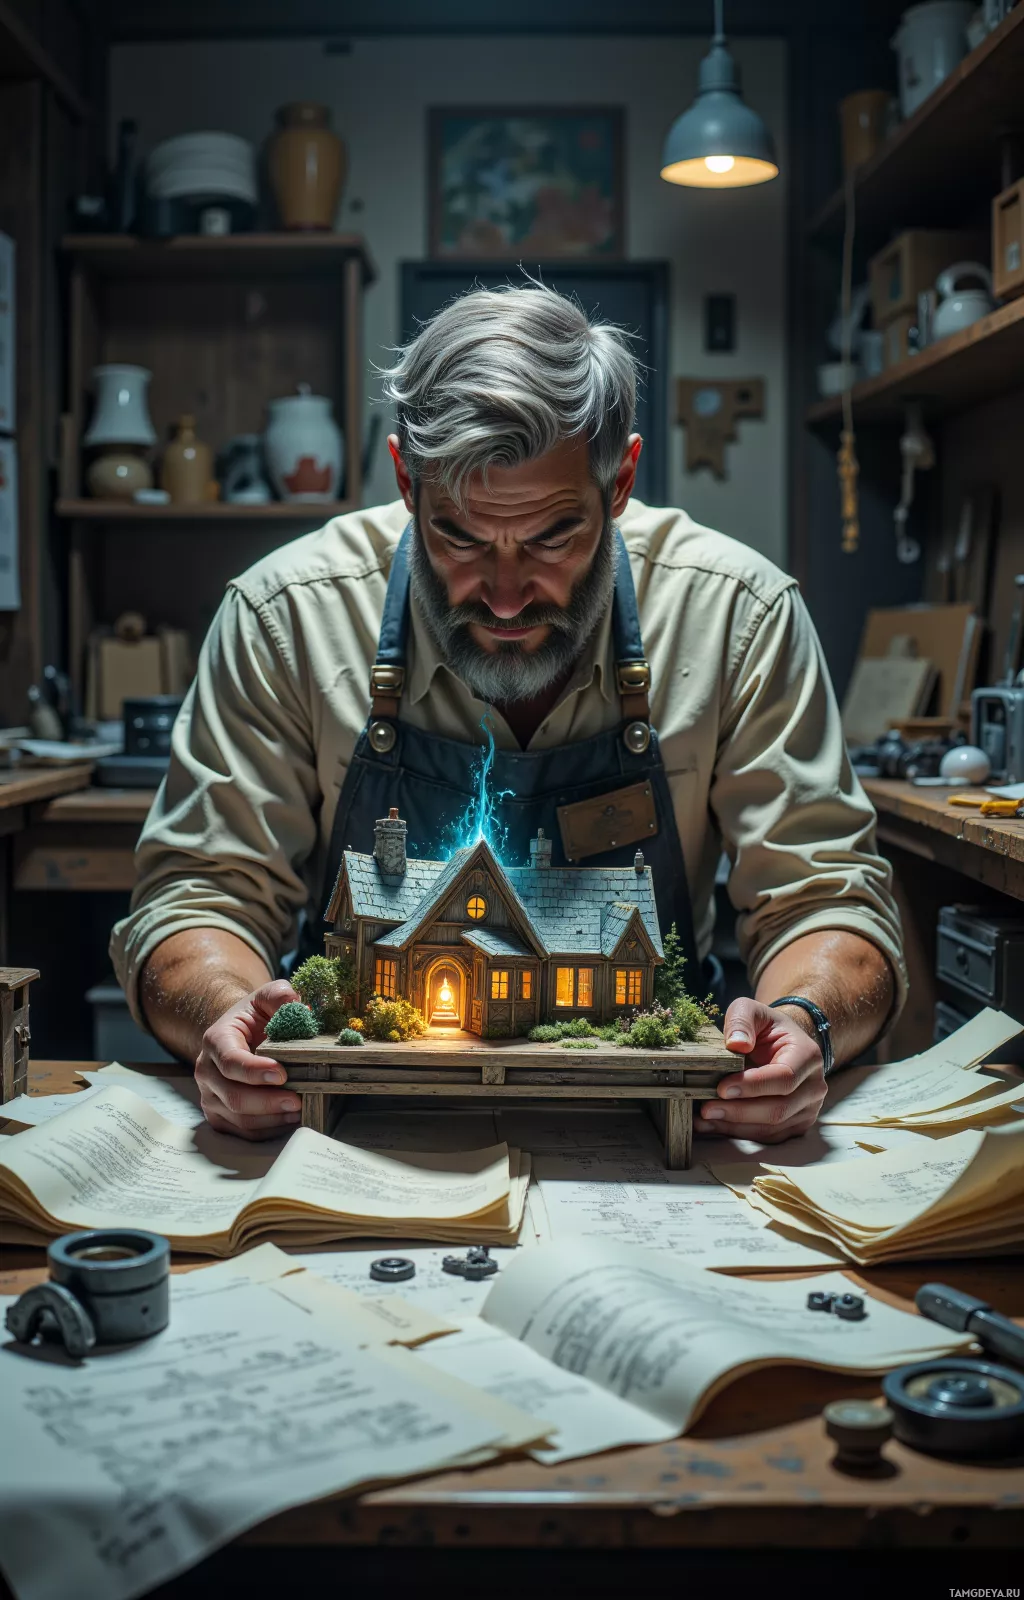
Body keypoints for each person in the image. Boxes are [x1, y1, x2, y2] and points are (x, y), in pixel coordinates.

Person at [111, 283, 904, 1143]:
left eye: (553, 536)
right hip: (351, 1125)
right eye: (458, 536)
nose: (505, 595)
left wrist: (805, 1021)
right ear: (406, 481)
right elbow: (199, 896)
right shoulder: (287, 617)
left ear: (620, 481)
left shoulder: (738, 617)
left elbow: (827, 902)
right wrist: (227, 1016)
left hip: (660, 1123)